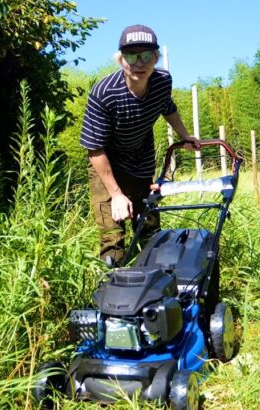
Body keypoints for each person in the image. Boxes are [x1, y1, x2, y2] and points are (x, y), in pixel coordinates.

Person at [80, 24, 200, 264]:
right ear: (120, 59)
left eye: (146, 55)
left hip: (141, 162)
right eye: (131, 55)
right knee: (113, 235)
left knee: (149, 227)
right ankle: (112, 286)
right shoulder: (104, 93)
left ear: (156, 58)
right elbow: (94, 148)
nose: (139, 63)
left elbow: (167, 108)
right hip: (107, 165)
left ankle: (156, 284)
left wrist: (185, 136)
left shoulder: (162, 81)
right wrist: (116, 194)